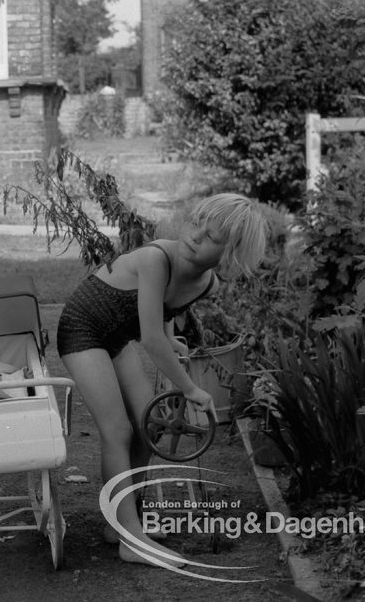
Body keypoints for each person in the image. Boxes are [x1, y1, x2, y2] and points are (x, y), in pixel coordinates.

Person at [56, 193, 266, 567]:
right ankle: (131, 541)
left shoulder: (206, 284)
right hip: (83, 329)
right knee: (117, 431)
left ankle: (119, 523)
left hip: (116, 337)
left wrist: (172, 338)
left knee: (148, 426)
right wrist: (189, 387)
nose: (196, 236)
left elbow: (166, 314)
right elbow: (151, 338)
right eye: (196, 222)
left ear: (229, 254)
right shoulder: (156, 259)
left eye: (212, 237)